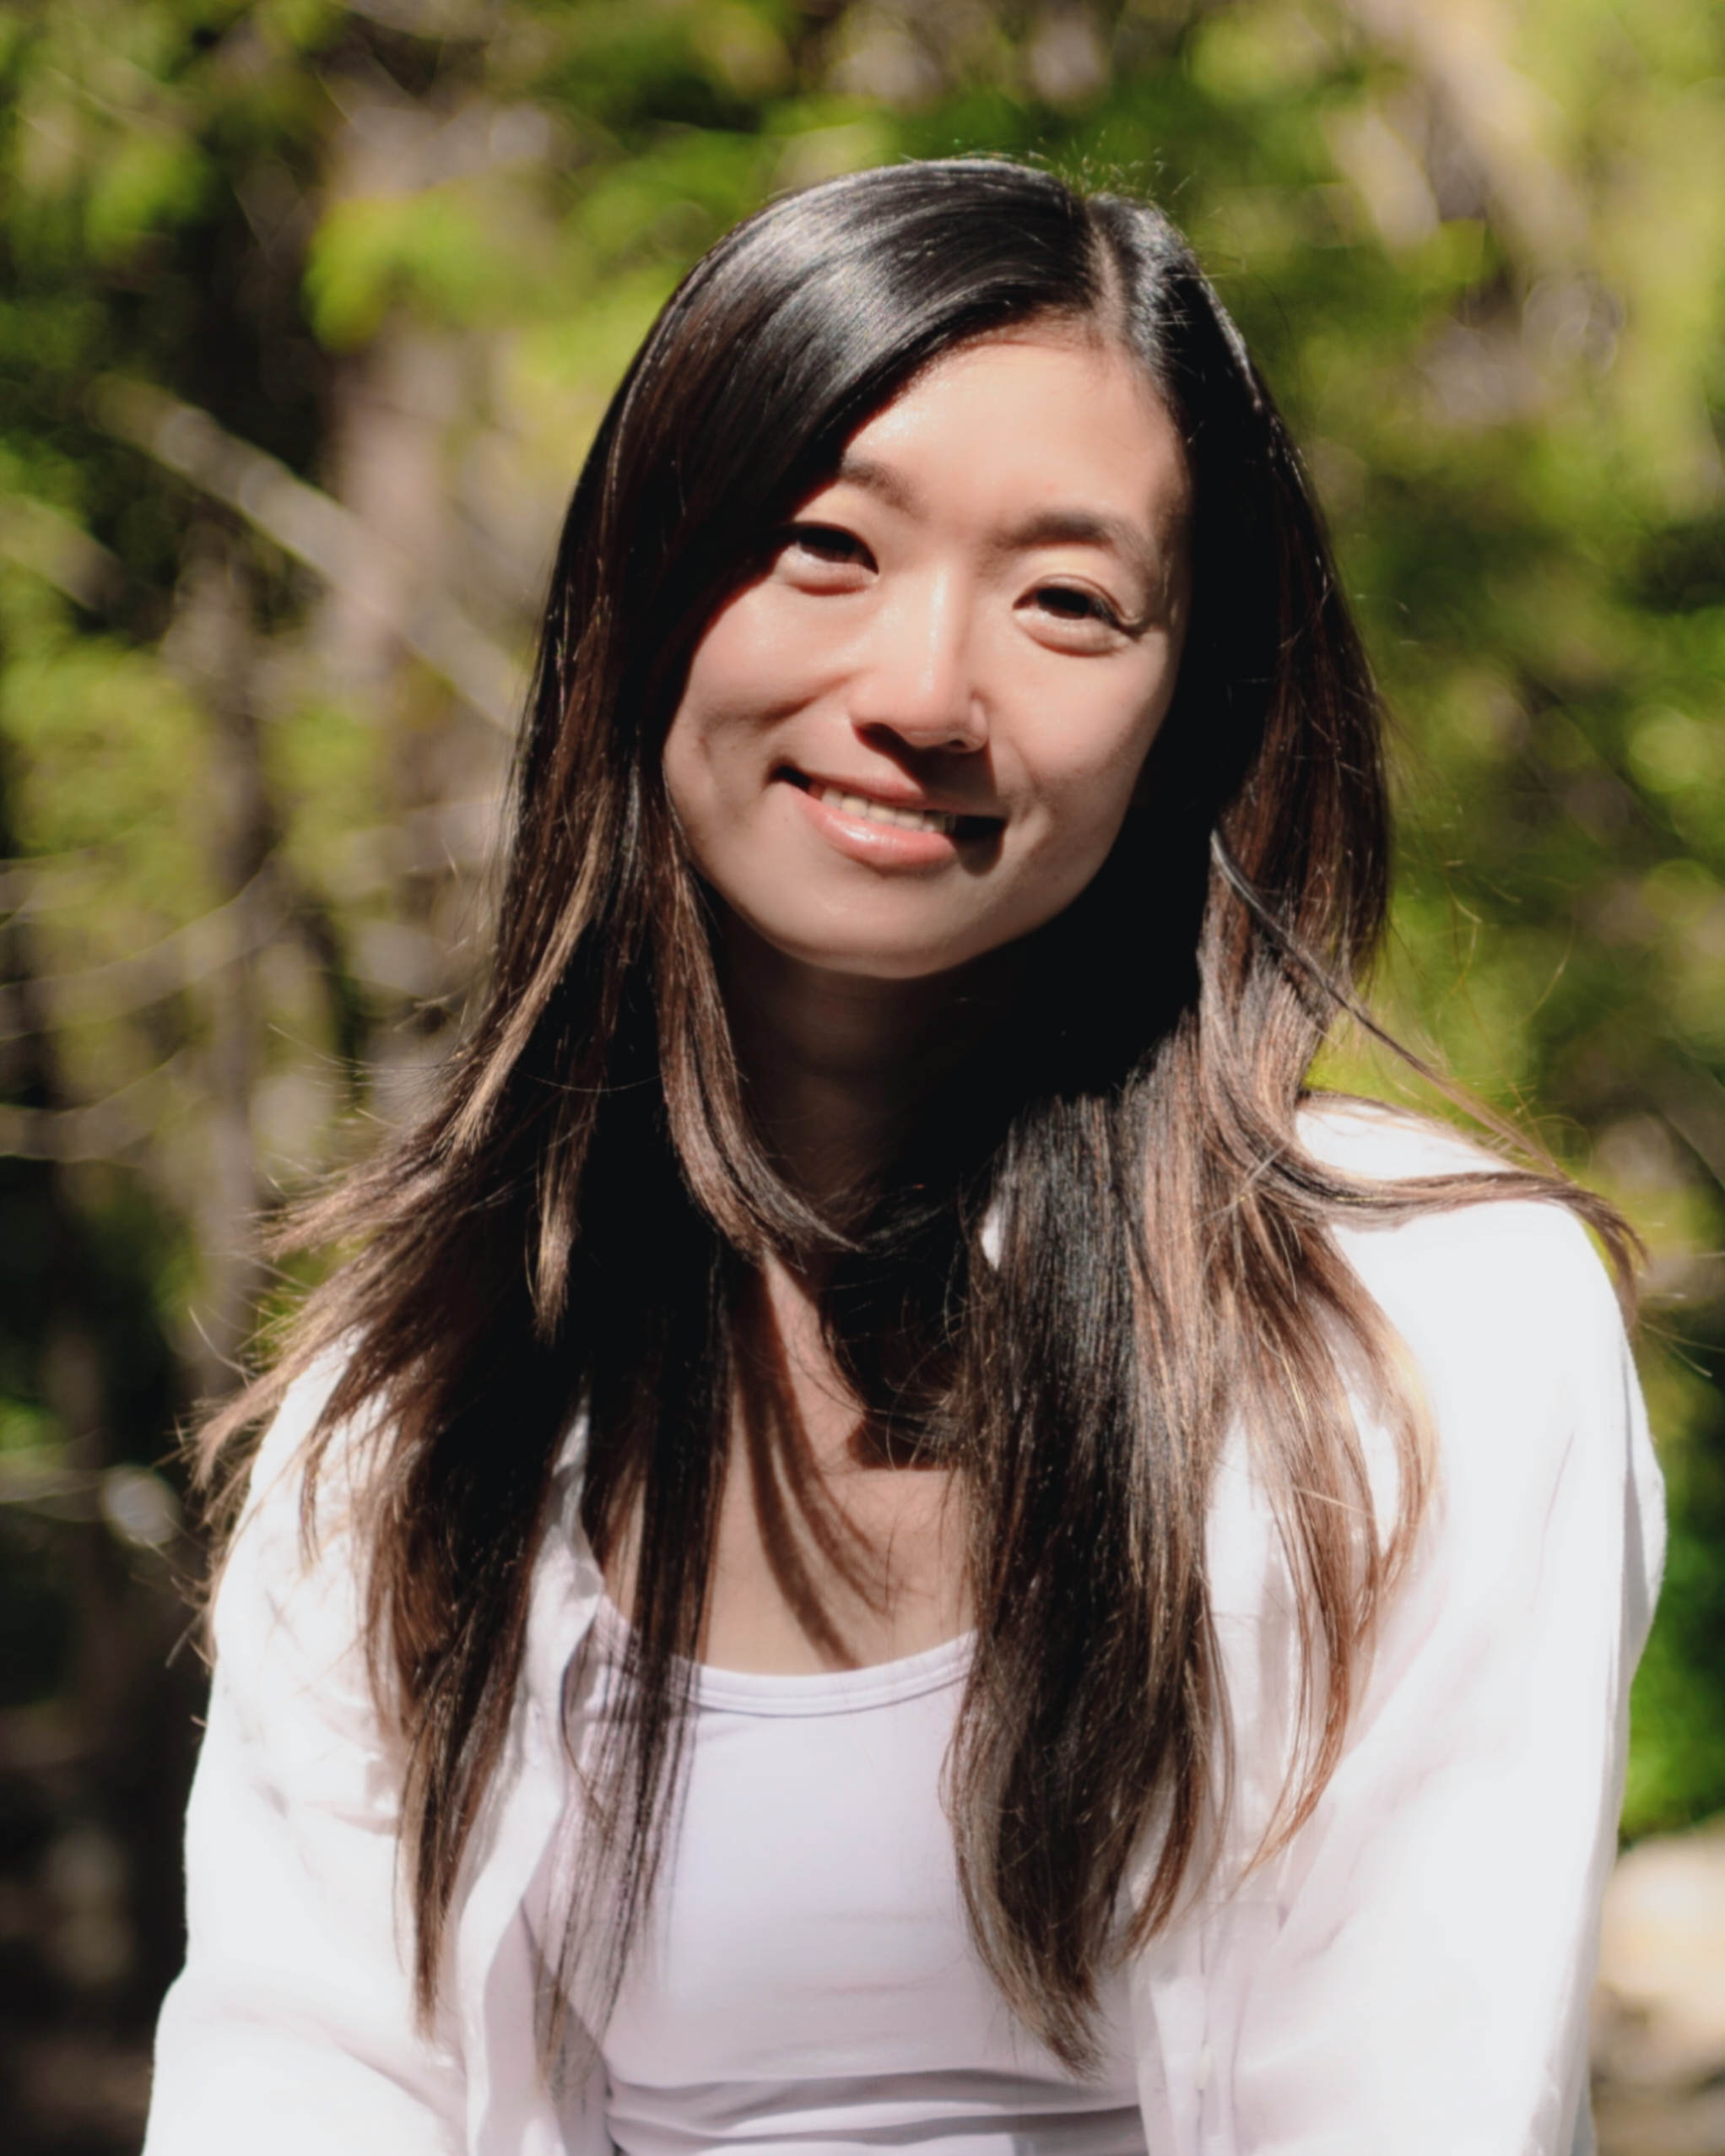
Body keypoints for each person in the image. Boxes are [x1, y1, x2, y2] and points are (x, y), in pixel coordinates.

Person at [142, 159, 1663, 2156]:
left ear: (1183, 710)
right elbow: (305, 2082)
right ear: (640, 589)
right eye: (822, 548)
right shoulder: (416, 1408)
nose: (923, 693)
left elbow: (1417, 2102)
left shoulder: (1422, 1342)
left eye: (1066, 600)